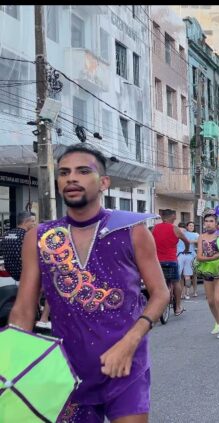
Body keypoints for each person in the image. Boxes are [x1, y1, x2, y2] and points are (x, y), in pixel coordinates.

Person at [9, 144, 169, 422]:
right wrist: (12, 365)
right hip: (65, 371)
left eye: (83, 171)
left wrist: (130, 342)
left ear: (104, 182)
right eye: (64, 173)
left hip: (126, 364)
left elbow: (160, 293)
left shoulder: (132, 230)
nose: (71, 178)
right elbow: (23, 309)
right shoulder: (40, 237)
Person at [0, 211, 50, 329]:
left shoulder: (6, 234)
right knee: (51, 288)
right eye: (32, 221)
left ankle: (37, 308)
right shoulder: (28, 236)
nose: (34, 224)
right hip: (26, 274)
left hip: (10, 273)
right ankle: (43, 318)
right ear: (26, 222)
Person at [196, 210, 219, 339]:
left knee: (218, 299)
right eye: (206, 221)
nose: (208, 224)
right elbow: (199, 256)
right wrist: (213, 258)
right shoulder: (201, 236)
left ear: (216, 223)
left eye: (211, 221)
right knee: (211, 301)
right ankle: (217, 322)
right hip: (208, 268)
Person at [152, 209, 190, 316]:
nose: (175, 218)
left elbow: (149, 241)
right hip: (171, 260)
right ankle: (177, 307)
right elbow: (186, 241)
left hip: (157, 261)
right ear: (172, 216)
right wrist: (186, 249)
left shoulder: (155, 228)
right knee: (176, 282)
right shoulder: (175, 228)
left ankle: (156, 305)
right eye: (175, 216)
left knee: (159, 283)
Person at [178, 221, 199, 299]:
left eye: (192, 226)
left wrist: (192, 241)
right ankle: (185, 293)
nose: (191, 227)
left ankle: (185, 293)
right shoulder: (189, 234)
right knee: (186, 276)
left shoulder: (194, 234)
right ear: (186, 227)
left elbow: (199, 240)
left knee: (184, 275)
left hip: (186, 255)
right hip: (187, 255)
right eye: (190, 225)